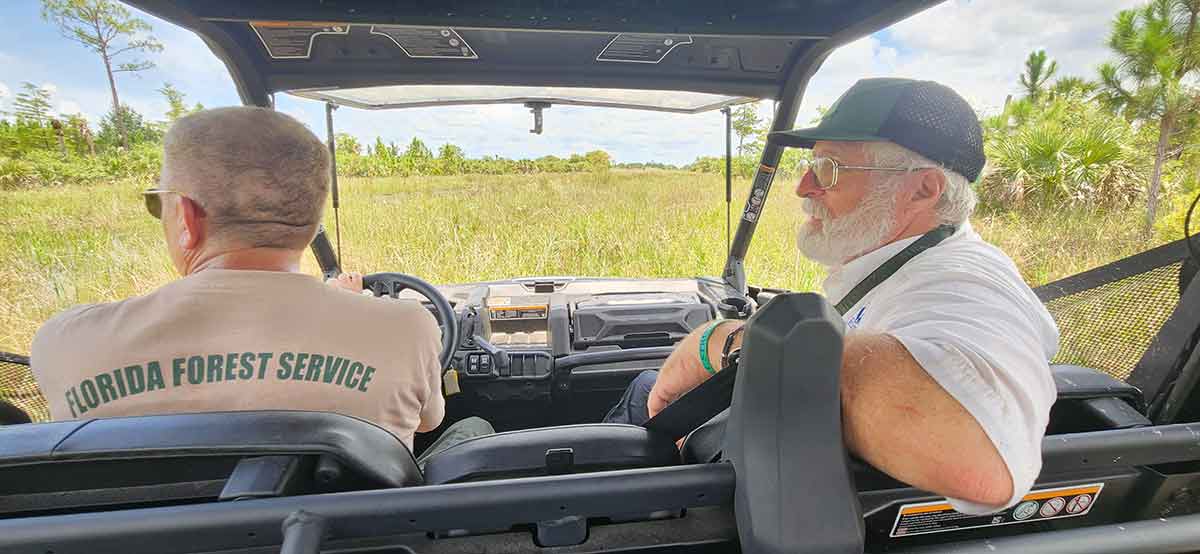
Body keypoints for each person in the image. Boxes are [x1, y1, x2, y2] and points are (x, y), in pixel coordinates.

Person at [605, 78, 1059, 515]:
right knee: (643, 388)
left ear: (923, 188)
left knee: (625, 414)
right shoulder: (904, 264)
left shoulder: (967, 284)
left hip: (776, 505)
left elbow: (982, 461)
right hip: (772, 468)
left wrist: (726, 342)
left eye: (829, 168)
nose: (804, 186)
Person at [30, 107, 473, 452]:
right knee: (474, 429)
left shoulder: (65, 343)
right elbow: (428, 421)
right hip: (348, 538)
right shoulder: (406, 327)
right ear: (312, 217)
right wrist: (349, 306)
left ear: (184, 216)